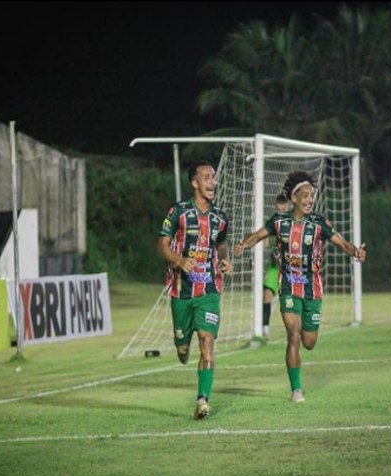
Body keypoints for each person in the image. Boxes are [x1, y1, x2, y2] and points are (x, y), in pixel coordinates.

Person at [234, 171, 366, 403]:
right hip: (288, 286)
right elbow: (257, 235)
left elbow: (342, 243)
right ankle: (296, 390)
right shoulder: (279, 221)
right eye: (304, 195)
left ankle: (298, 377)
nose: (309, 200)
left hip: (313, 289)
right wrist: (243, 245)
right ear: (293, 198)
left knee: (309, 342)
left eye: (311, 196)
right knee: (293, 335)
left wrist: (356, 252)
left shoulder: (318, 223)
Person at [157, 160, 233, 420]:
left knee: (207, 341)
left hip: (209, 290)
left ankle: (202, 399)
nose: (212, 182)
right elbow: (162, 245)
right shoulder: (178, 212)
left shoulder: (220, 218)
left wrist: (224, 259)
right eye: (206, 178)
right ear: (194, 183)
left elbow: (221, 243)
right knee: (182, 351)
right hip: (181, 291)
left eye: (213, 177)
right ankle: (181, 341)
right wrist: (179, 261)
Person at [261, 193, 289, 340]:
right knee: (267, 295)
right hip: (274, 267)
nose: (281, 205)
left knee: (291, 299)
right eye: (279, 203)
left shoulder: (293, 220)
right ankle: (264, 328)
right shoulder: (272, 221)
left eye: (283, 203)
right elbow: (265, 241)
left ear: (288, 205)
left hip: (291, 266)